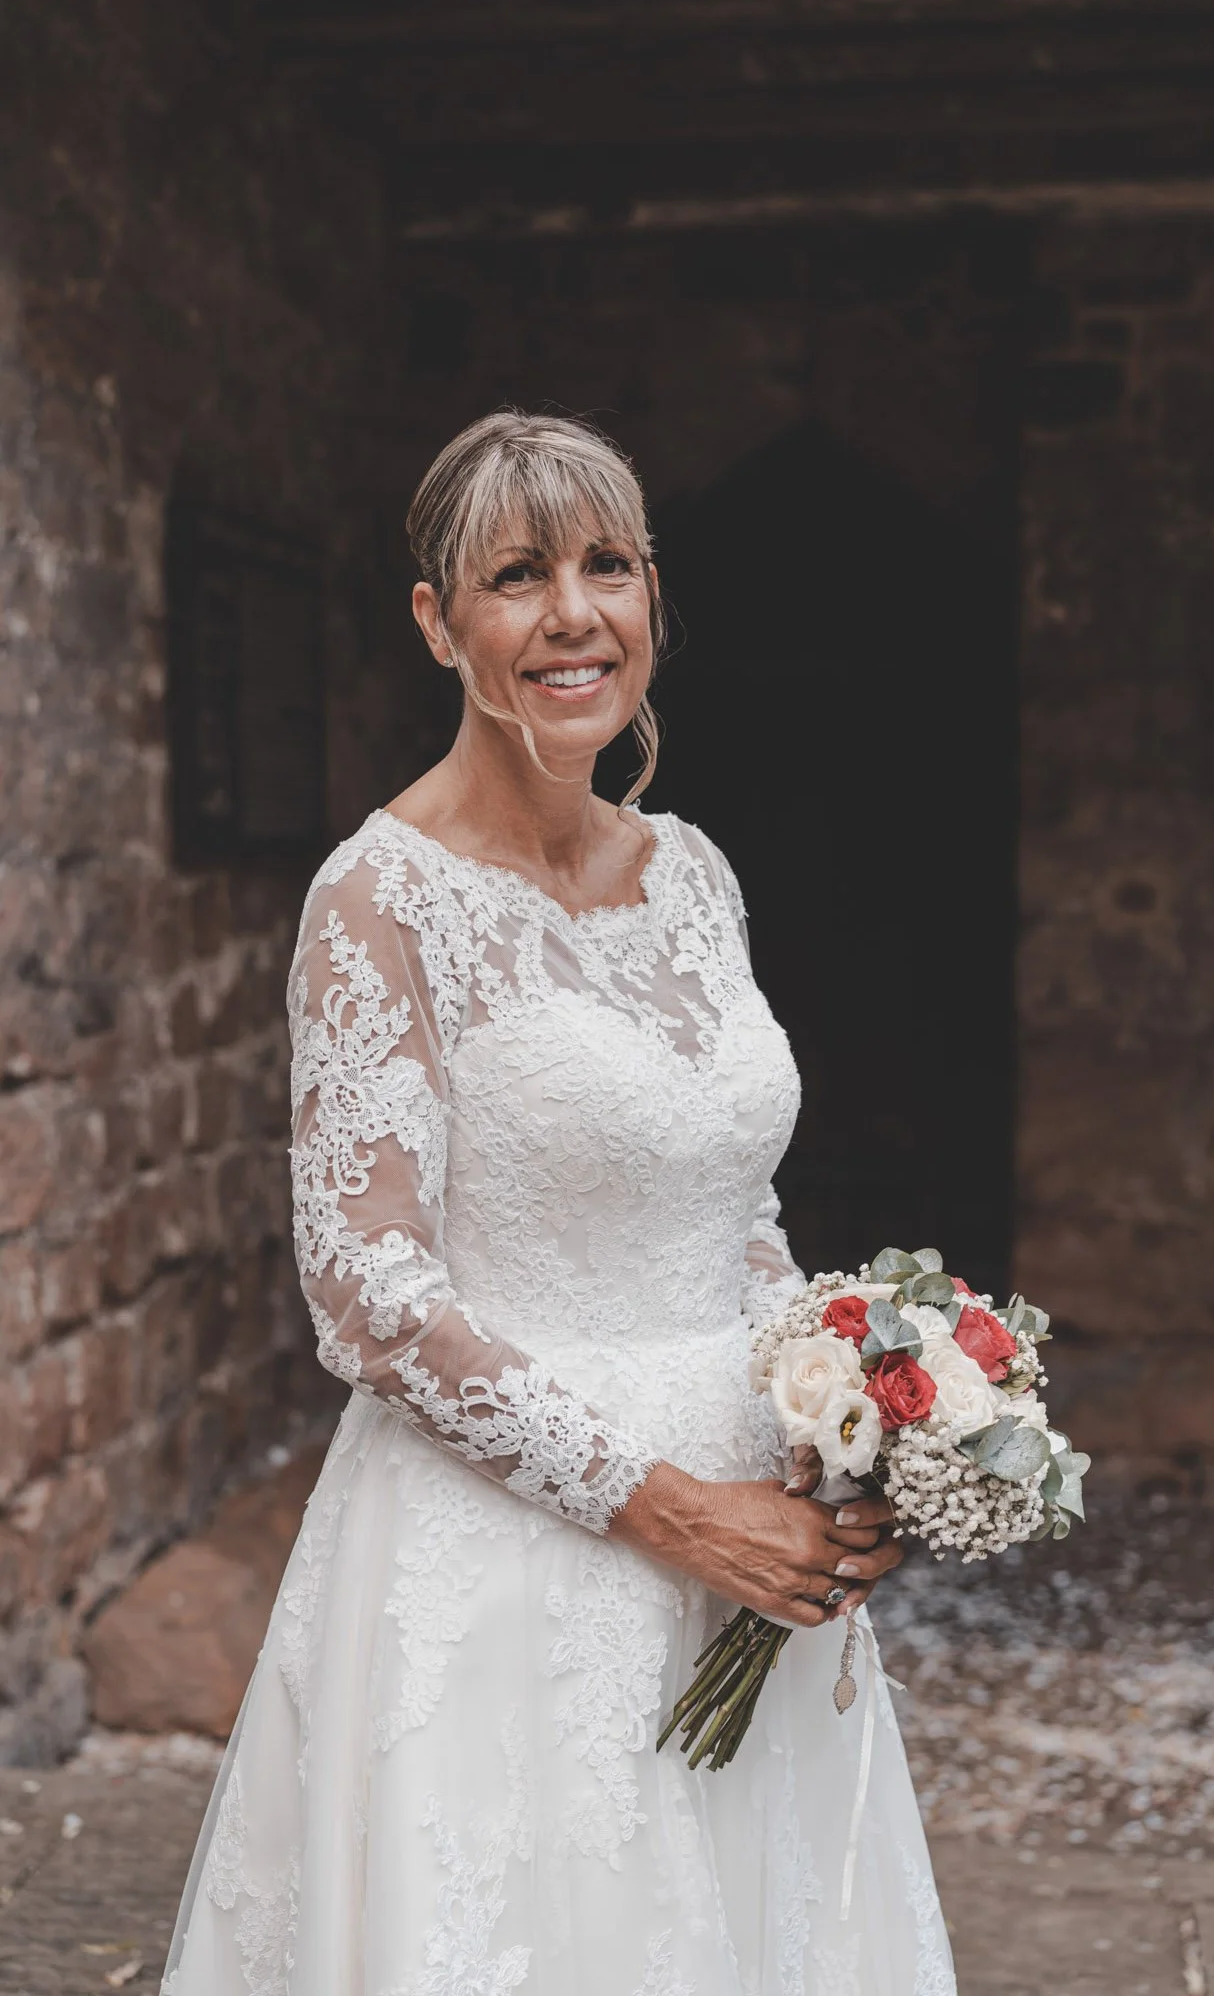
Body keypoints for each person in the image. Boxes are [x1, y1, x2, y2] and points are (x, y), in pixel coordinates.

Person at [162, 410, 955, 1994]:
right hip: (518, 1565)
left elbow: (735, 1208)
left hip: (757, 1542)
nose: (573, 614)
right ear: (436, 621)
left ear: (653, 594)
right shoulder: (378, 898)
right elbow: (371, 1296)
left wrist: (837, 1415)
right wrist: (674, 1511)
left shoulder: (697, 874)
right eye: (517, 576)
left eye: (608, 566)